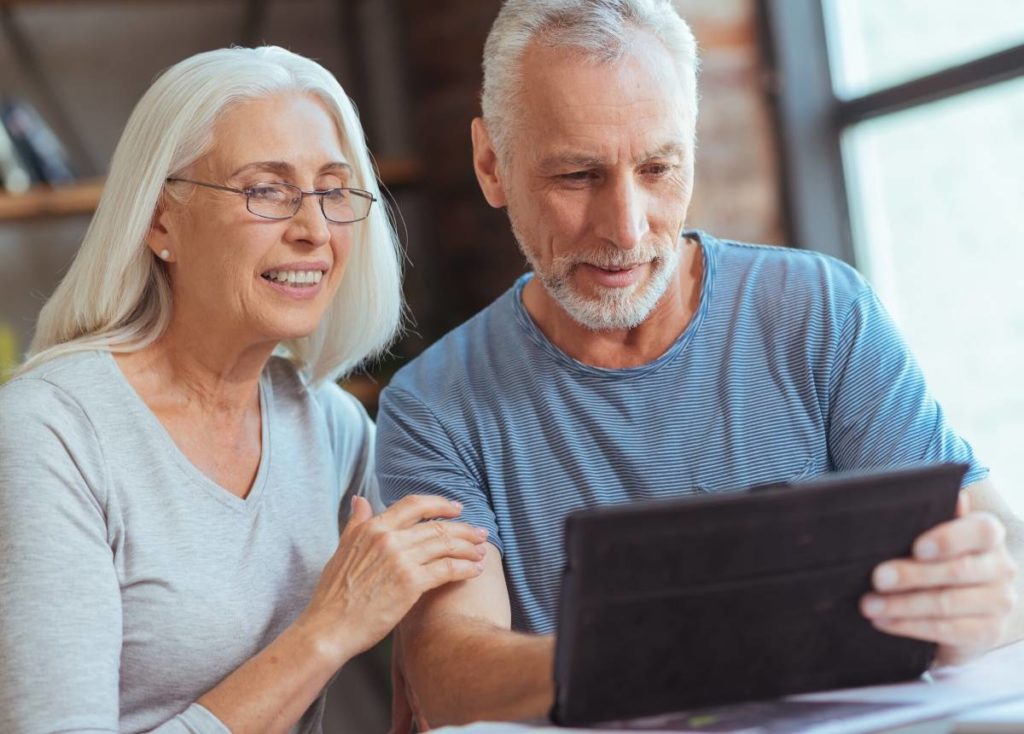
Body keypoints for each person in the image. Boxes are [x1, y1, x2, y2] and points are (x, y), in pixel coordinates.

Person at [376, 0, 1024, 728]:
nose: (626, 228)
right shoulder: (434, 405)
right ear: (492, 163)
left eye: (657, 167)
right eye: (578, 176)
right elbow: (453, 676)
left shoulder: (821, 310)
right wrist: (720, 641)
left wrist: (981, 604)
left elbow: (1005, 558)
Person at [0, 46, 490, 733]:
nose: (313, 230)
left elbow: (469, 573)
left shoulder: (330, 427)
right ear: (160, 220)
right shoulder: (49, 431)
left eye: (332, 190)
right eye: (266, 189)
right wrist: (328, 630)